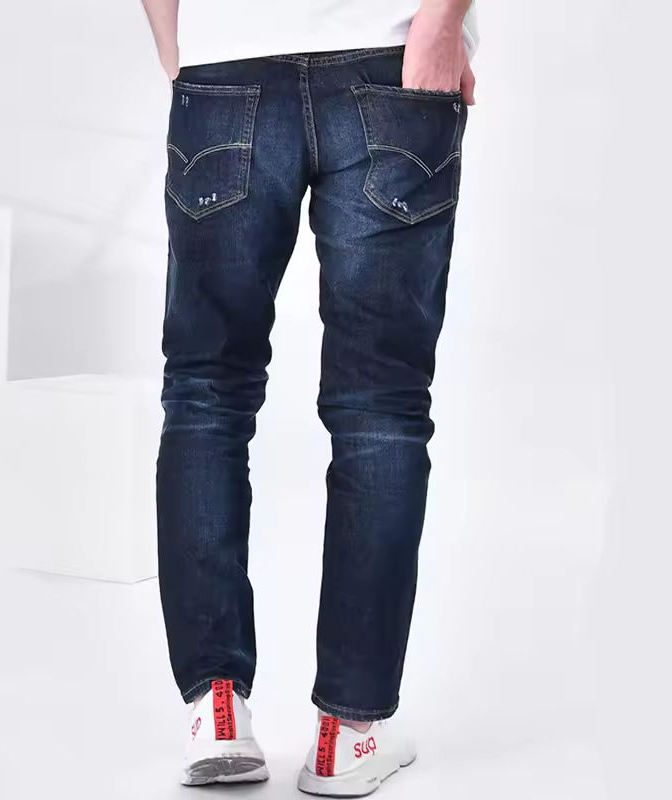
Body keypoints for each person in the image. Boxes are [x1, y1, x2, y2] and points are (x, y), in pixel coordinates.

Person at [142, 0, 479, 794]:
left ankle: (215, 710)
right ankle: (348, 736)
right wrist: (439, 25)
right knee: (380, 407)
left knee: (205, 393)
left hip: (228, 67)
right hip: (388, 64)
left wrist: (182, 46)